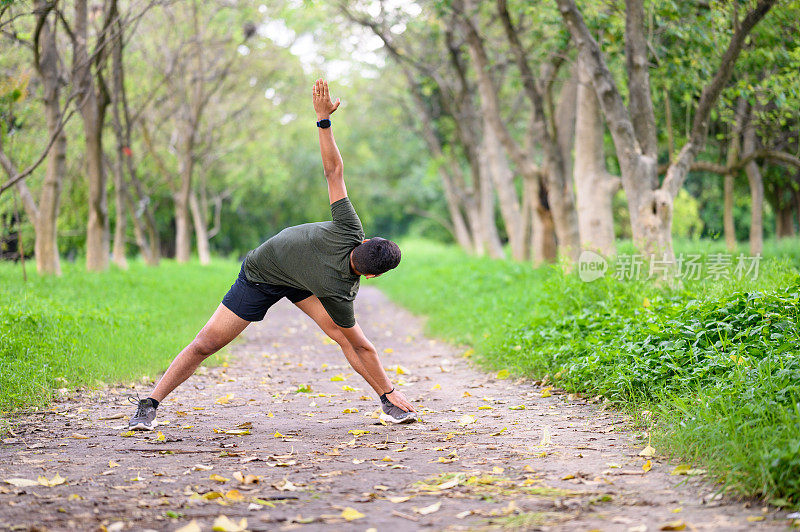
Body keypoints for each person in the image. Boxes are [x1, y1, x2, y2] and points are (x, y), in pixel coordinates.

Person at [129, 79, 416, 430]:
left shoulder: (349, 232)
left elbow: (333, 172)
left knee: (337, 337)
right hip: (262, 275)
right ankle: (151, 401)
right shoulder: (341, 288)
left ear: (366, 242)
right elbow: (364, 347)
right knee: (207, 343)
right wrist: (390, 390)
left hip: (300, 280)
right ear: (372, 274)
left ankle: (148, 407)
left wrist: (323, 120)